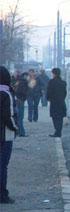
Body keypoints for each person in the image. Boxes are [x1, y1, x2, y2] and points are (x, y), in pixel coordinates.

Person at [0, 66, 18, 204]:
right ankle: (2, 195)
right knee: (2, 166)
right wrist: (15, 128)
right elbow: (9, 116)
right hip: (4, 135)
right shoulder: (6, 94)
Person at [46, 68, 67, 137]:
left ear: (53, 73)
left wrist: (48, 98)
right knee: (60, 118)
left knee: (54, 117)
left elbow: (49, 92)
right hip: (61, 102)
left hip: (54, 102)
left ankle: (57, 132)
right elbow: (65, 93)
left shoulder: (51, 82)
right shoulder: (63, 83)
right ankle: (58, 132)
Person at [15, 72, 29, 137]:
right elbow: (20, 91)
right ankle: (21, 132)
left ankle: (19, 131)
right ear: (25, 76)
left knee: (19, 117)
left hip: (19, 100)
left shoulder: (20, 82)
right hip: (20, 100)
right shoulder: (22, 82)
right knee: (20, 117)